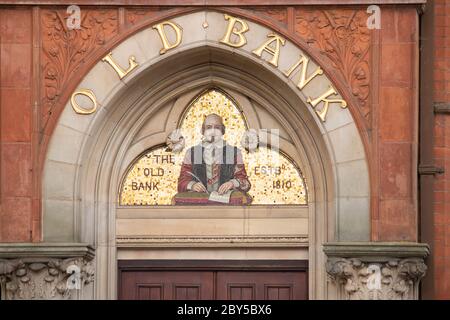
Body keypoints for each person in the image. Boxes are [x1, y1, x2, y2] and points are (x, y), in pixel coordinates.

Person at [177, 113, 251, 195]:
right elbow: (182, 181)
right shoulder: (192, 153)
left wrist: (232, 183)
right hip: (199, 201)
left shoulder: (233, 152)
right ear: (203, 130)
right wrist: (192, 185)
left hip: (225, 202)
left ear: (223, 130)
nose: (213, 131)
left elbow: (245, 182)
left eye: (217, 127)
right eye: (209, 127)